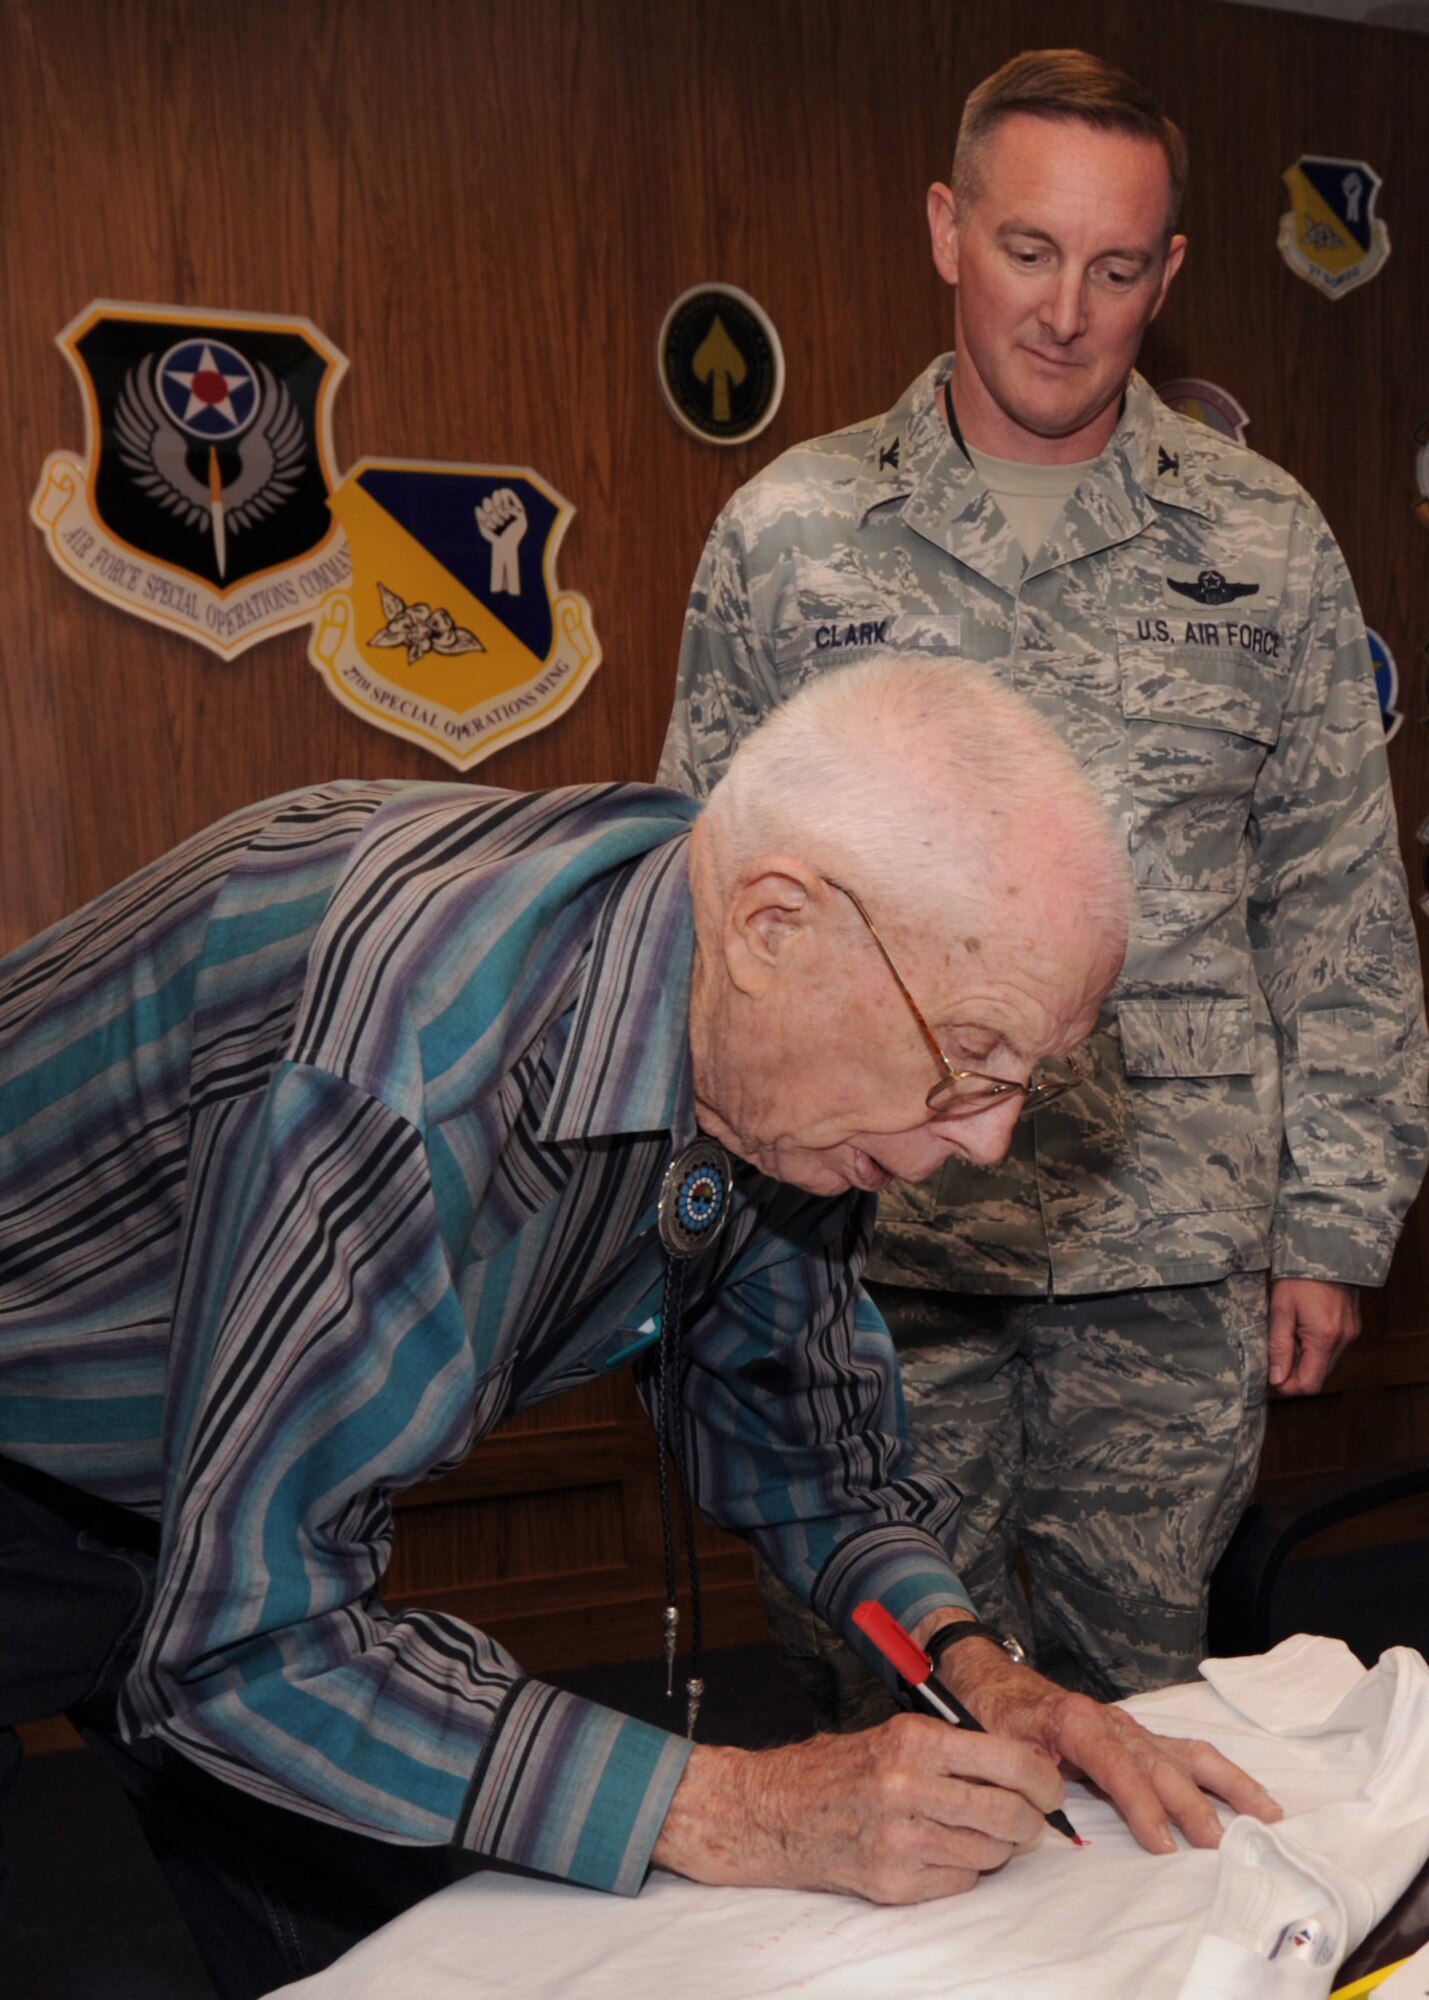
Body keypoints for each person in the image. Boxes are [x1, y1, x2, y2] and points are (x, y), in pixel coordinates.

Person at [0, 660, 1280, 1997]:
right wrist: (743, 1807)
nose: (985, 1140)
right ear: (770, 928)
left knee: (412, 1968)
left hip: (252, 1516)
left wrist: (977, 1667)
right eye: (968, 1057)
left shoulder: (776, 1057)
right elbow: (245, 1651)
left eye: (1027, 1077)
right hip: (39, 1466)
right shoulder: (400, 1062)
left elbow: (809, 1455)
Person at [659, 49, 1429, 1715]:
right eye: (1026, 250)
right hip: (859, 1254)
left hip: (1165, 1249)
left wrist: (1337, 1223)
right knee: (893, 1714)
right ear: (945, 229)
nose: (1065, 311)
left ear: (1169, 275)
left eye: (1115, 266)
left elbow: (1335, 903)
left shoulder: (1263, 541)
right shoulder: (792, 533)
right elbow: (694, 907)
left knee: (1143, 1710)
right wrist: (694, 1224)